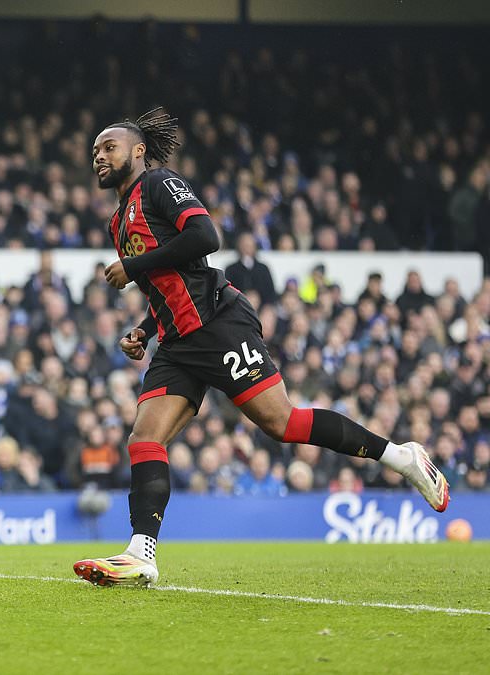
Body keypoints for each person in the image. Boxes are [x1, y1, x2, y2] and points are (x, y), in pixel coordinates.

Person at [73, 108, 449, 588]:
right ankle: (140, 554)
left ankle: (400, 457)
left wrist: (133, 265)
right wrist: (145, 330)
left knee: (282, 423)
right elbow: (168, 283)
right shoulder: (118, 221)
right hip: (176, 341)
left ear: (139, 150)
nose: (99, 156)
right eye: (95, 151)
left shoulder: (159, 184)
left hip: (217, 324)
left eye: (109, 147)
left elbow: (205, 237)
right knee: (144, 439)